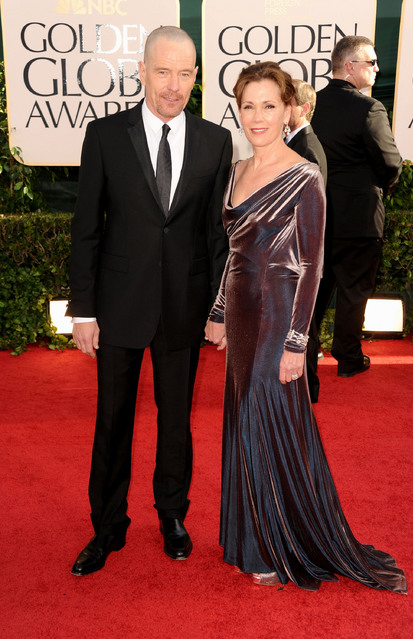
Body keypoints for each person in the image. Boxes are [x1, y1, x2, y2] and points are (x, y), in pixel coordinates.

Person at [205, 61, 407, 593]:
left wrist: (298, 343)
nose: (257, 116)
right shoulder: (236, 170)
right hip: (242, 315)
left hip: (279, 315)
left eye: (269, 105)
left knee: (265, 416)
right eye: (248, 106)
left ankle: (278, 543)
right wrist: (220, 311)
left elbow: (312, 266)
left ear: (289, 109)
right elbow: (235, 251)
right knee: (243, 419)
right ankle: (250, 536)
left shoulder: (303, 175)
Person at [67, 26, 232, 576]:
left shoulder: (215, 141)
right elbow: (86, 228)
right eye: (163, 71)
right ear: (141, 71)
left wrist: (217, 309)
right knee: (111, 420)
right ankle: (107, 526)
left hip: (184, 305)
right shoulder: (105, 135)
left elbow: (217, 235)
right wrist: (83, 309)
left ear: (195, 76)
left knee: (176, 419)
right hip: (118, 305)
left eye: (184, 73)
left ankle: (172, 515)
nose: (173, 85)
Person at [310, 35, 402, 384]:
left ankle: (305, 355)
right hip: (359, 218)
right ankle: (348, 358)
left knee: (314, 292)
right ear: (350, 67)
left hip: (317, 215)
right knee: (354, 291)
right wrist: (381, 185)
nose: (377, 69)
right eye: (371, 62)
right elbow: (390, 163)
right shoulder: (369, 108)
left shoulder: (311, 106)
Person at [285, 79, 327, 402]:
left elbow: (309, 213)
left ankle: (308, 388)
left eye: (287, 103)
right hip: (294, 254)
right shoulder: (296, 143)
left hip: (300, 255)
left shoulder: (307, 149)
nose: (281, 108)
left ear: (303, 108)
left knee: (304, 325)